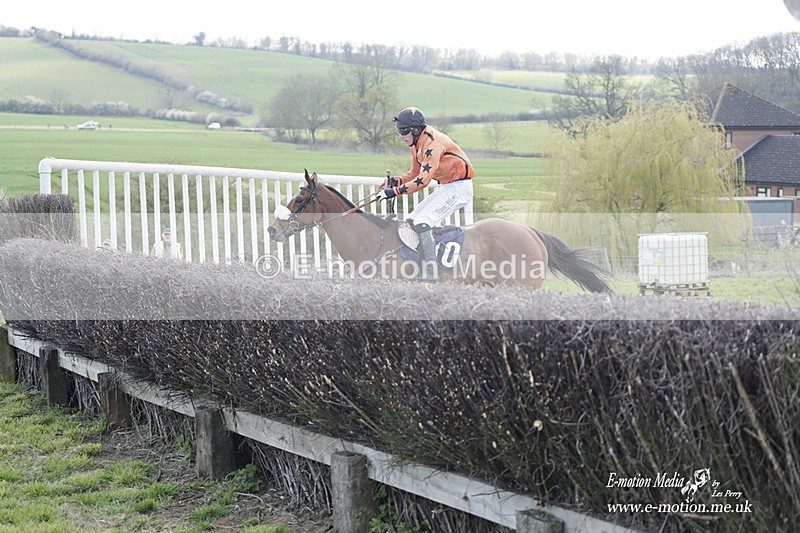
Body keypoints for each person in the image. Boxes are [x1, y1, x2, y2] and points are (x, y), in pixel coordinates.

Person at [375, 107, 474, 282]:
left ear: (415, 130)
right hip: (447, 186)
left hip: (459, 188)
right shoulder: (416, 144)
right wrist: (396, 181)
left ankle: (431, 273)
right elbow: (414, 172)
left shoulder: (432, 144)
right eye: (399, 131)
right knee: (411, 221)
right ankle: (420, 265)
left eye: (404, 131)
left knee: (422, 222)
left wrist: (394, 192)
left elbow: (423, 180)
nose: (400, 135)